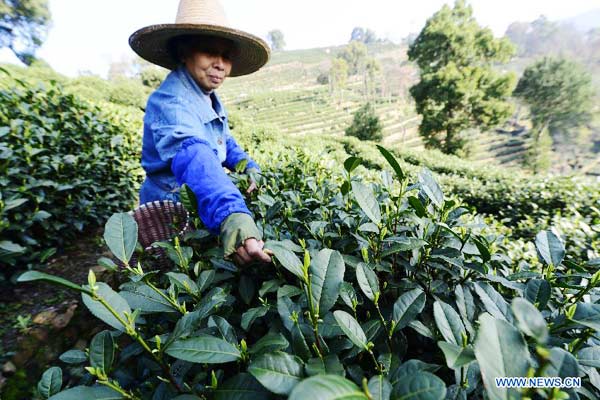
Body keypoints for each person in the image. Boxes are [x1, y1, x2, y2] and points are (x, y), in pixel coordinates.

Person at [128, 0, 272, 267]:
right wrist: (233, 217)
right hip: (169, 213)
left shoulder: (208, 97)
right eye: (208, 51)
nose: (220, 64)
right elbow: (195, 155)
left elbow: (224, 140)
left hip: (200, 200)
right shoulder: (170, 102)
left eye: (226, 55)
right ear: (184, 52)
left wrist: (248, 166)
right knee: (171, 276)